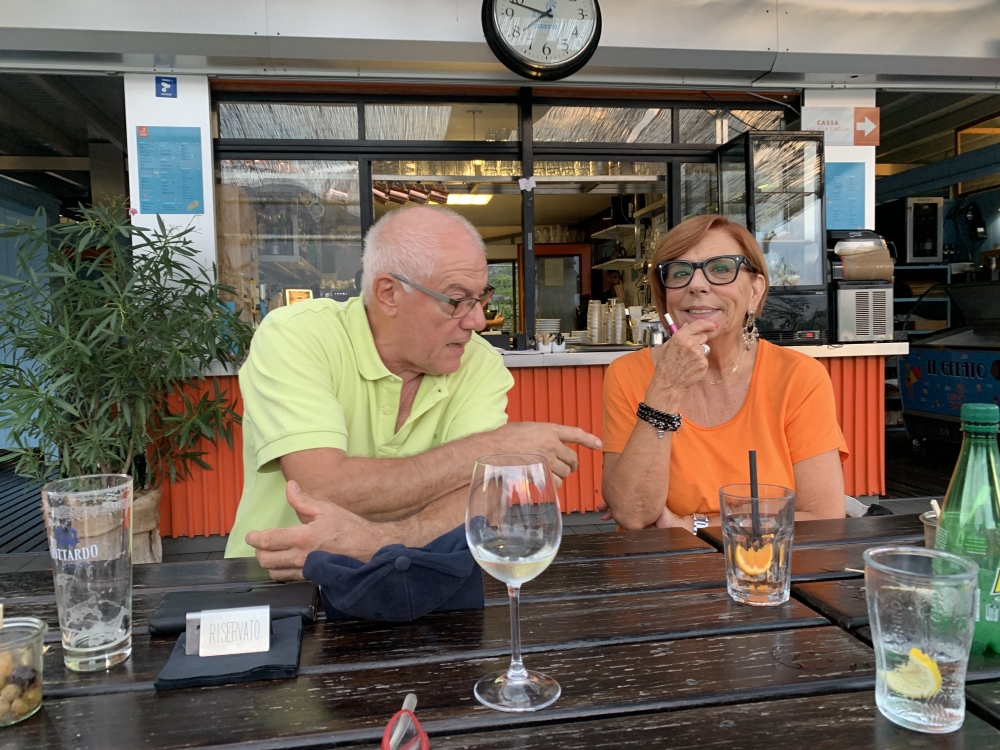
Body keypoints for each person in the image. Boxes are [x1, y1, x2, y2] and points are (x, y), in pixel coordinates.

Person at [225, 206, 601, 579]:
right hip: (282, 582)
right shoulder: (298, 335)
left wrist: (376, 544)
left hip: (426, 582)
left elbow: (481, 502)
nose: (478, 320)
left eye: (480, 297)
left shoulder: (479, 361)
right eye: (456, 300)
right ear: (389, 293)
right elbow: (322, 489)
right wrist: (496, 446)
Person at [600, 215, 847, 532]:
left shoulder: (799, 377)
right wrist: (666, 387)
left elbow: (823, 517)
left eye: (720, 269)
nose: (696, 285)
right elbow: (633, 514)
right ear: (665, 296)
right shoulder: (628, 374)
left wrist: (692, 525)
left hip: (766, 561)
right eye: (679, 272)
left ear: (755, 291)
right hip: (661, 563)